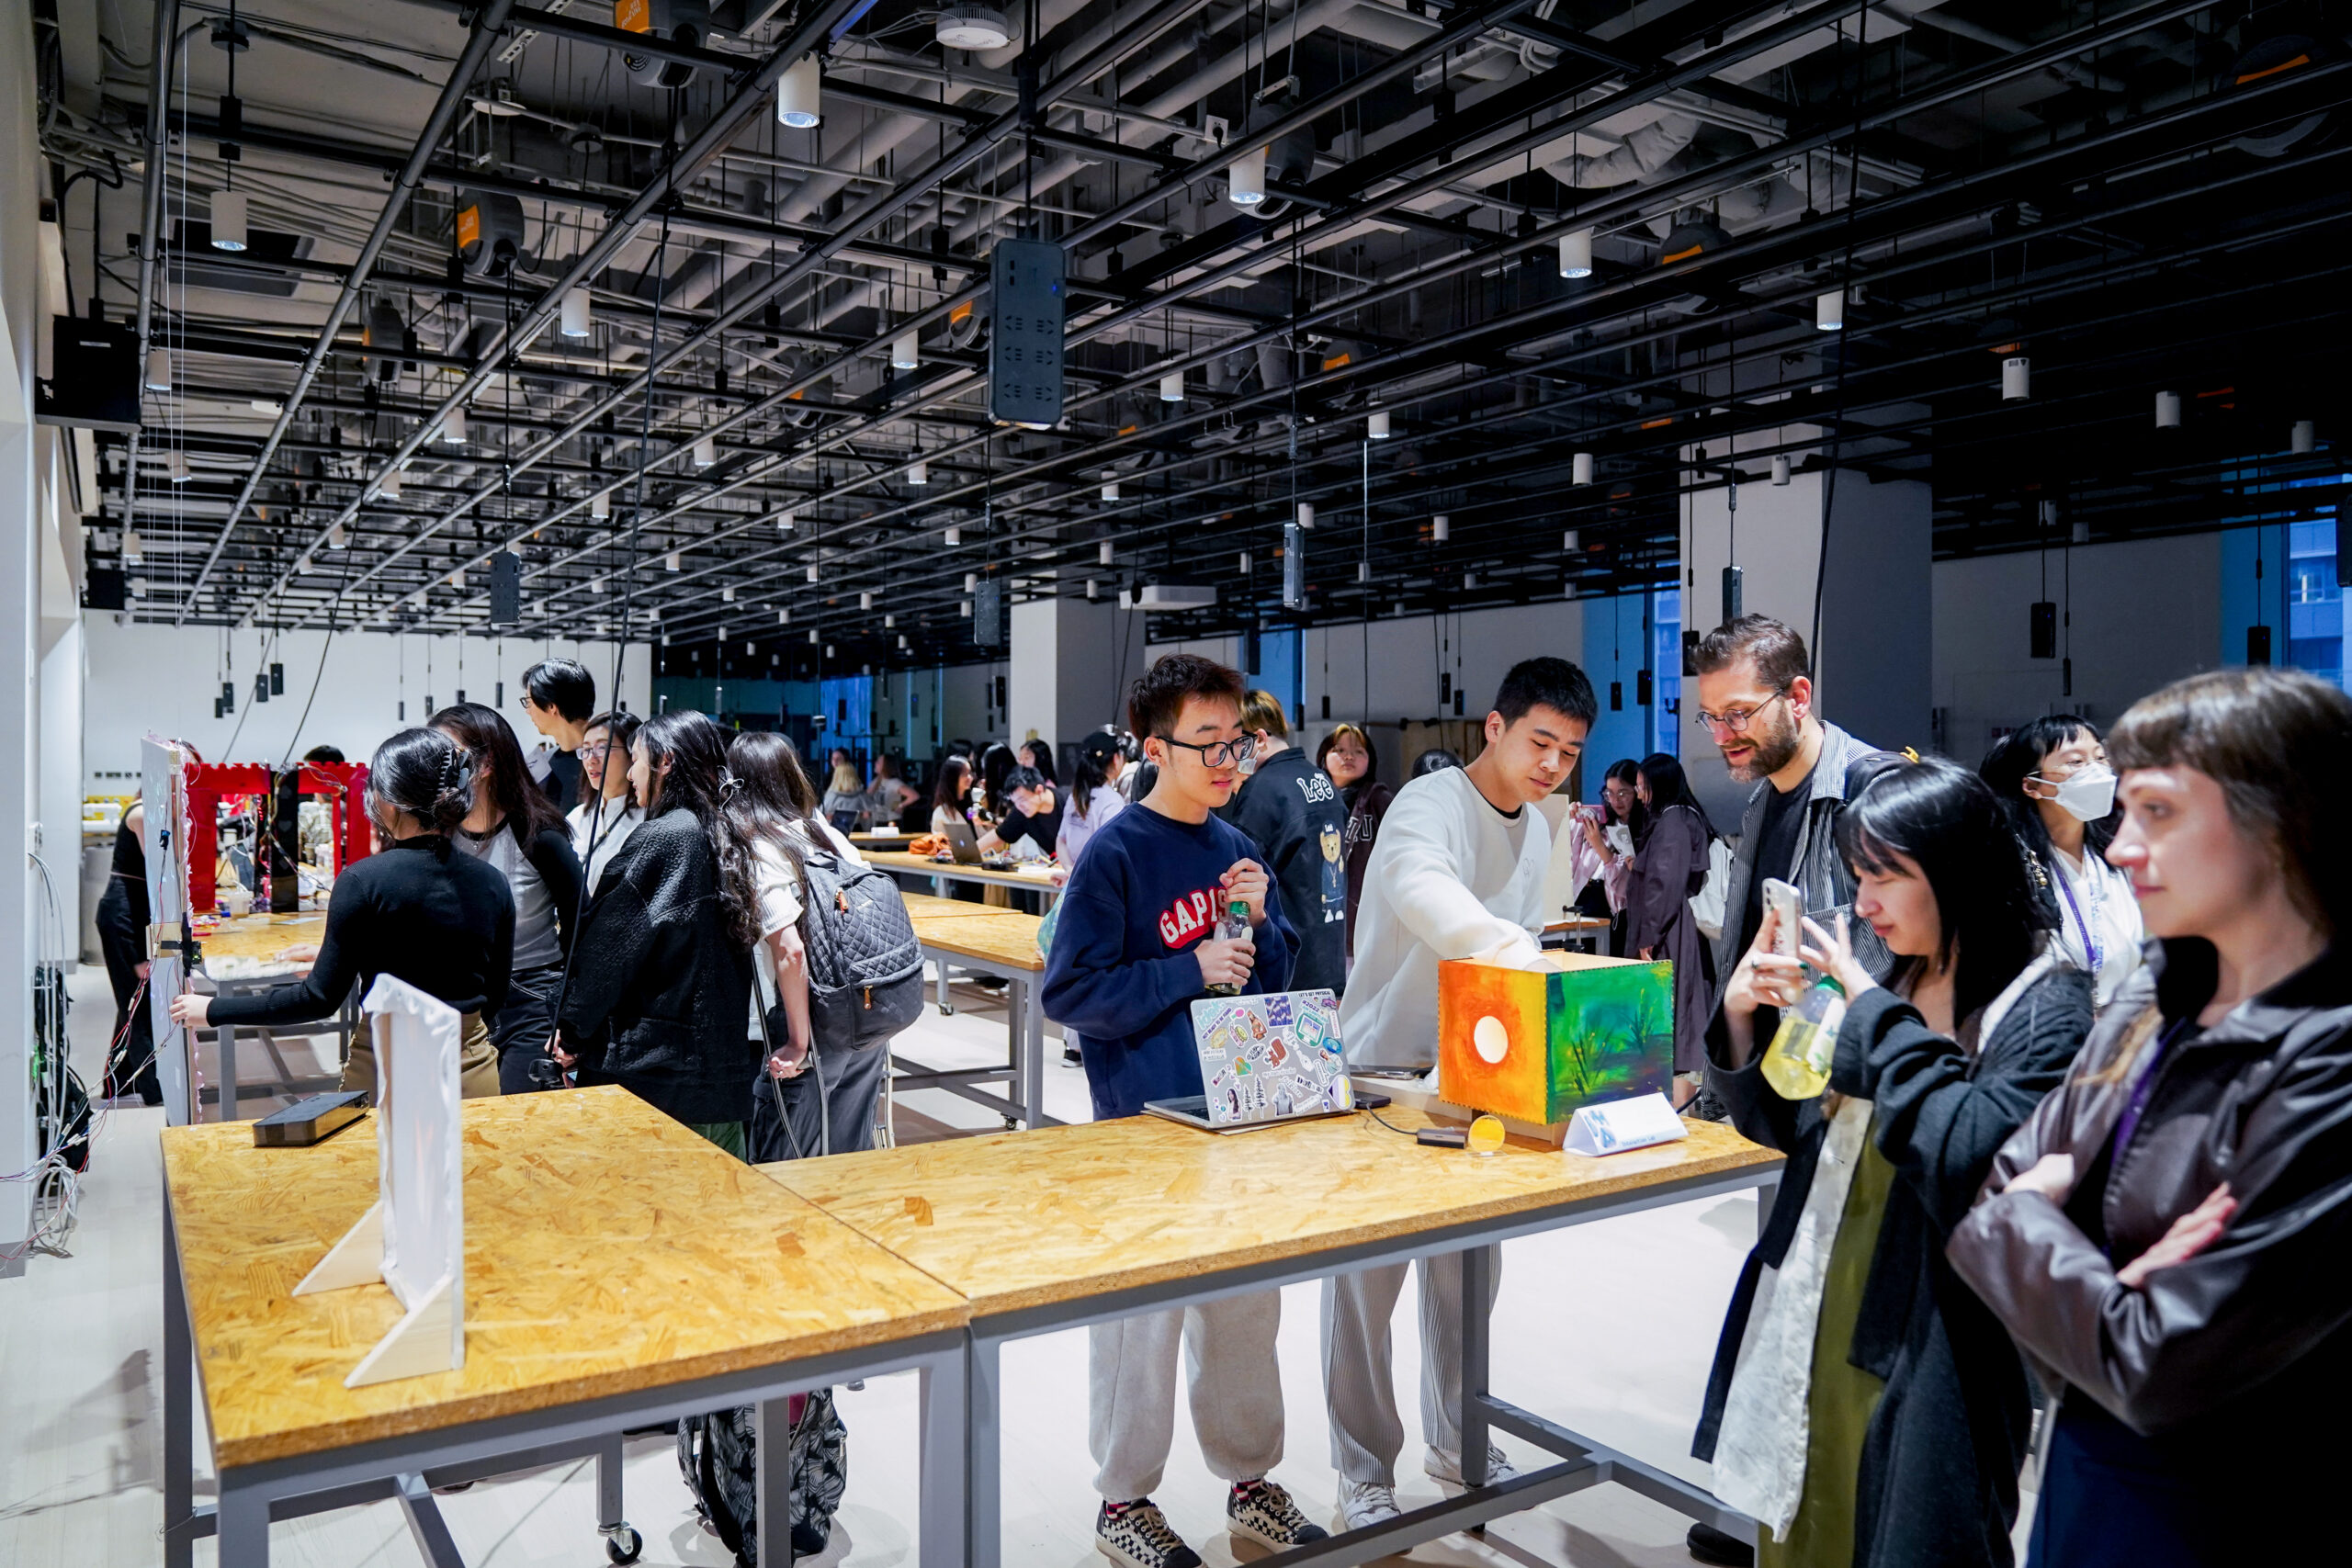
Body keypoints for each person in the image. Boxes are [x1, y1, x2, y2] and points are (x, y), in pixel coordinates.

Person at [1948, 669, 2352, 1568]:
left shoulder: (2326, 1062)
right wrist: (2104, 1283)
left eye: (2158, 813)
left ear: (2282, 816)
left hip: (2233, 1505)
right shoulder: (2151, 993)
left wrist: (2030, 1223)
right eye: (2122, 811)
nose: (2123, 847)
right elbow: (1990, 1198)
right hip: (2088, 1472)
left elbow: (2160, 1367)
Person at [1695, 758, 2090, 1568]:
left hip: (1936, 1328)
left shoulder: (2045, 1005)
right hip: (1821, 1287)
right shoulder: (1887, 971)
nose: (1865, 900)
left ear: (1957, 873)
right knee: (1800, 1509)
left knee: (1907, 1526)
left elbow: (1966, 1149)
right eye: (1859, 873)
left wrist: (1866, 1013)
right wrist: (1742, 1015)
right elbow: (1786, 1114)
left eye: (1887, 875)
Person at [1040, 652, 1323, 1568]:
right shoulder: (1115, 855)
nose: (1227, 758)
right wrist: (1184, 967)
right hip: (1141, 1129)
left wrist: (1262, 922)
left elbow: (1260, 985)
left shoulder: (1237, 851)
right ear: (1156, 748)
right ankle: (1123, 1500)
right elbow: (1070, 991)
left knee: (1246, 1311)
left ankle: (1250, 1481)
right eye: (1208, 741)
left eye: (1235, 739)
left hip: (1234, 1119)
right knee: (1141, 1325)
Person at [1327, 657, 1596, 1529]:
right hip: (1385, 1073)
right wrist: (1520, 956)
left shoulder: (1541, 827)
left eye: (1571, 750)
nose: (1553, 764)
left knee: (1469, 1274)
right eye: (1540, 741)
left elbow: (1517, 939)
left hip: (1477, 1077)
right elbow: (1420, 889)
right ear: (1494, 726)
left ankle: (1459, 1435)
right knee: (1367, 1286)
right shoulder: (1428, 803)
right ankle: (1363, 1471)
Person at [168, 728, 513, 1099]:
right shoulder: (492, 881)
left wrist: (213, 1009)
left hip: (390, 1063)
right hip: (470, 1067)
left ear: (390, 801)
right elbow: (493, 991)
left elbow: (318, 998)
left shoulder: (363, 880)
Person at [555, 711, 760, 1154]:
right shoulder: (727, 829)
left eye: (637, 760)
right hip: (720, 1072)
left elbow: (609, 950)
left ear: (665, 762)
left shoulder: (665, 838)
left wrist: (569, 1029)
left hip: (659, 1078)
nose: (630, 773)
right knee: (722, 1211)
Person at [728, 730, 883, 1165]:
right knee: (850, 1155)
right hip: (865, 1013)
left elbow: (791, 949)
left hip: (814, 1019)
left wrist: (798, 1041)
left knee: (786, 1162)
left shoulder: (758, 847)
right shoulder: (826, 834)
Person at [431, 704, 586, 1096]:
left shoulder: (541, 836)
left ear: (485, 765)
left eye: (446, 754)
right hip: (456, 999)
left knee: (518, 1118)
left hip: (530, 997)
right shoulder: (435, 835)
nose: (435, 766)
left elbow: (582, 927)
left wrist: (572, 1018)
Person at [1980, 716, 2143, 1011]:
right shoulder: (2013, 868)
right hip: (2053, 1031)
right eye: (2076, 761)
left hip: (2124, 1029)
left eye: (2100, 757)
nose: (2095, 771)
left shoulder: (2119, 855)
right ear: (2031, 785)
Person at [1218, 692, 1350, 995]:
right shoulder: (1321, 779)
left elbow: (1239, 879)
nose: (1230, 758)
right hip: (1330, 957)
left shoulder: (1263, 789)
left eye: (1234, 744)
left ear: (1259, 740)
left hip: (1289, 965)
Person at [1630, 752, 1716, 1106]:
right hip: (1675, 925)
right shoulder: (1683, 817)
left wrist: (1649, 934)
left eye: (1641, 786)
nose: (1638, 794)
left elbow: (1664, 882)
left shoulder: (1673, 821)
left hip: (1668, 930)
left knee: (1670, 1008)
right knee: (1679, 1008)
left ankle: (1676, 1105)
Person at [1316, 724, 1392, 961]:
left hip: (1368, 916)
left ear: (1370, 760)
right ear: (1323, 757)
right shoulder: (1312, 801)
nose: (1349, 756)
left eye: (1359, 751)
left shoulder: (1380, 799)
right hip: (1322, 914)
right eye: (1339, 750)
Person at [569, 710, 643, 895]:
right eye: (586, 750)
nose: (591, 759)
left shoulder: (650, 818)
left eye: (602, 748)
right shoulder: (577, 818)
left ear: (632, 754)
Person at [518, 657, 595, 808]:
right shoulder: (542, 764)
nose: (528, 711)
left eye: (529, 702)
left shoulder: (608, 760)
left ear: (550, 706)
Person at [1056, 729, 1127, 867]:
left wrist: (1070, 871)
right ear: (1115, 759)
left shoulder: (1075, 796)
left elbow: (1061, 841)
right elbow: (1110, 851)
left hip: (1076, 881)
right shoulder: (1112, 801)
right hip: (1097, 884)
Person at [978, 765, 1062, 860]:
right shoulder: (1022, 811)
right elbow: (1000, 835)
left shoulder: (1069, 803)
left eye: (1022, 799)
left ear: (1039, 790)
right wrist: (967, 854)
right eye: (1015, 802)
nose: (1019, 806)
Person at [865, 752, 919, 829]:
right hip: (878, 821)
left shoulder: (894, 783)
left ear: (885, 765)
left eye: (879, 762)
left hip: (891, 822)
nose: (875, 764)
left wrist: (900, 805)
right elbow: (867, 796)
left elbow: (914, 796)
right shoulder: (876, 781)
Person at [930, 755, 974, 838]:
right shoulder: (941, 812)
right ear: (953, 777)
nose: (970, 778)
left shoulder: (974, 804)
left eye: (970, 773)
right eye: (965, 774)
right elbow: (941, 842)